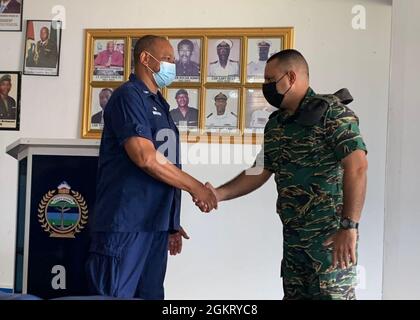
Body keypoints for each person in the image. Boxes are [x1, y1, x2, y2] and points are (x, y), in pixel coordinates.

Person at [204, 49, 368, 300]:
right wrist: (218, 193)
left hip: (330, 243)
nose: (266, 87)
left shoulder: (332, 114)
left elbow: (357, 166)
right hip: (294, 244)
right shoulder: (277, 124)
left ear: (291, 77)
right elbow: (260, 170)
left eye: (270, 80)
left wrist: (349, 227)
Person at [85, 35, 217, 299]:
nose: (172, 66)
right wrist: (195, 187)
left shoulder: (159, 105)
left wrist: (171, 222)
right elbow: (145, 157)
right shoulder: (128, 97)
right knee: (114, 295)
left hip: (154, 226)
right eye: (168, 59)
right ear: (146, 59)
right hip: (126, 226)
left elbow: (167, 164)